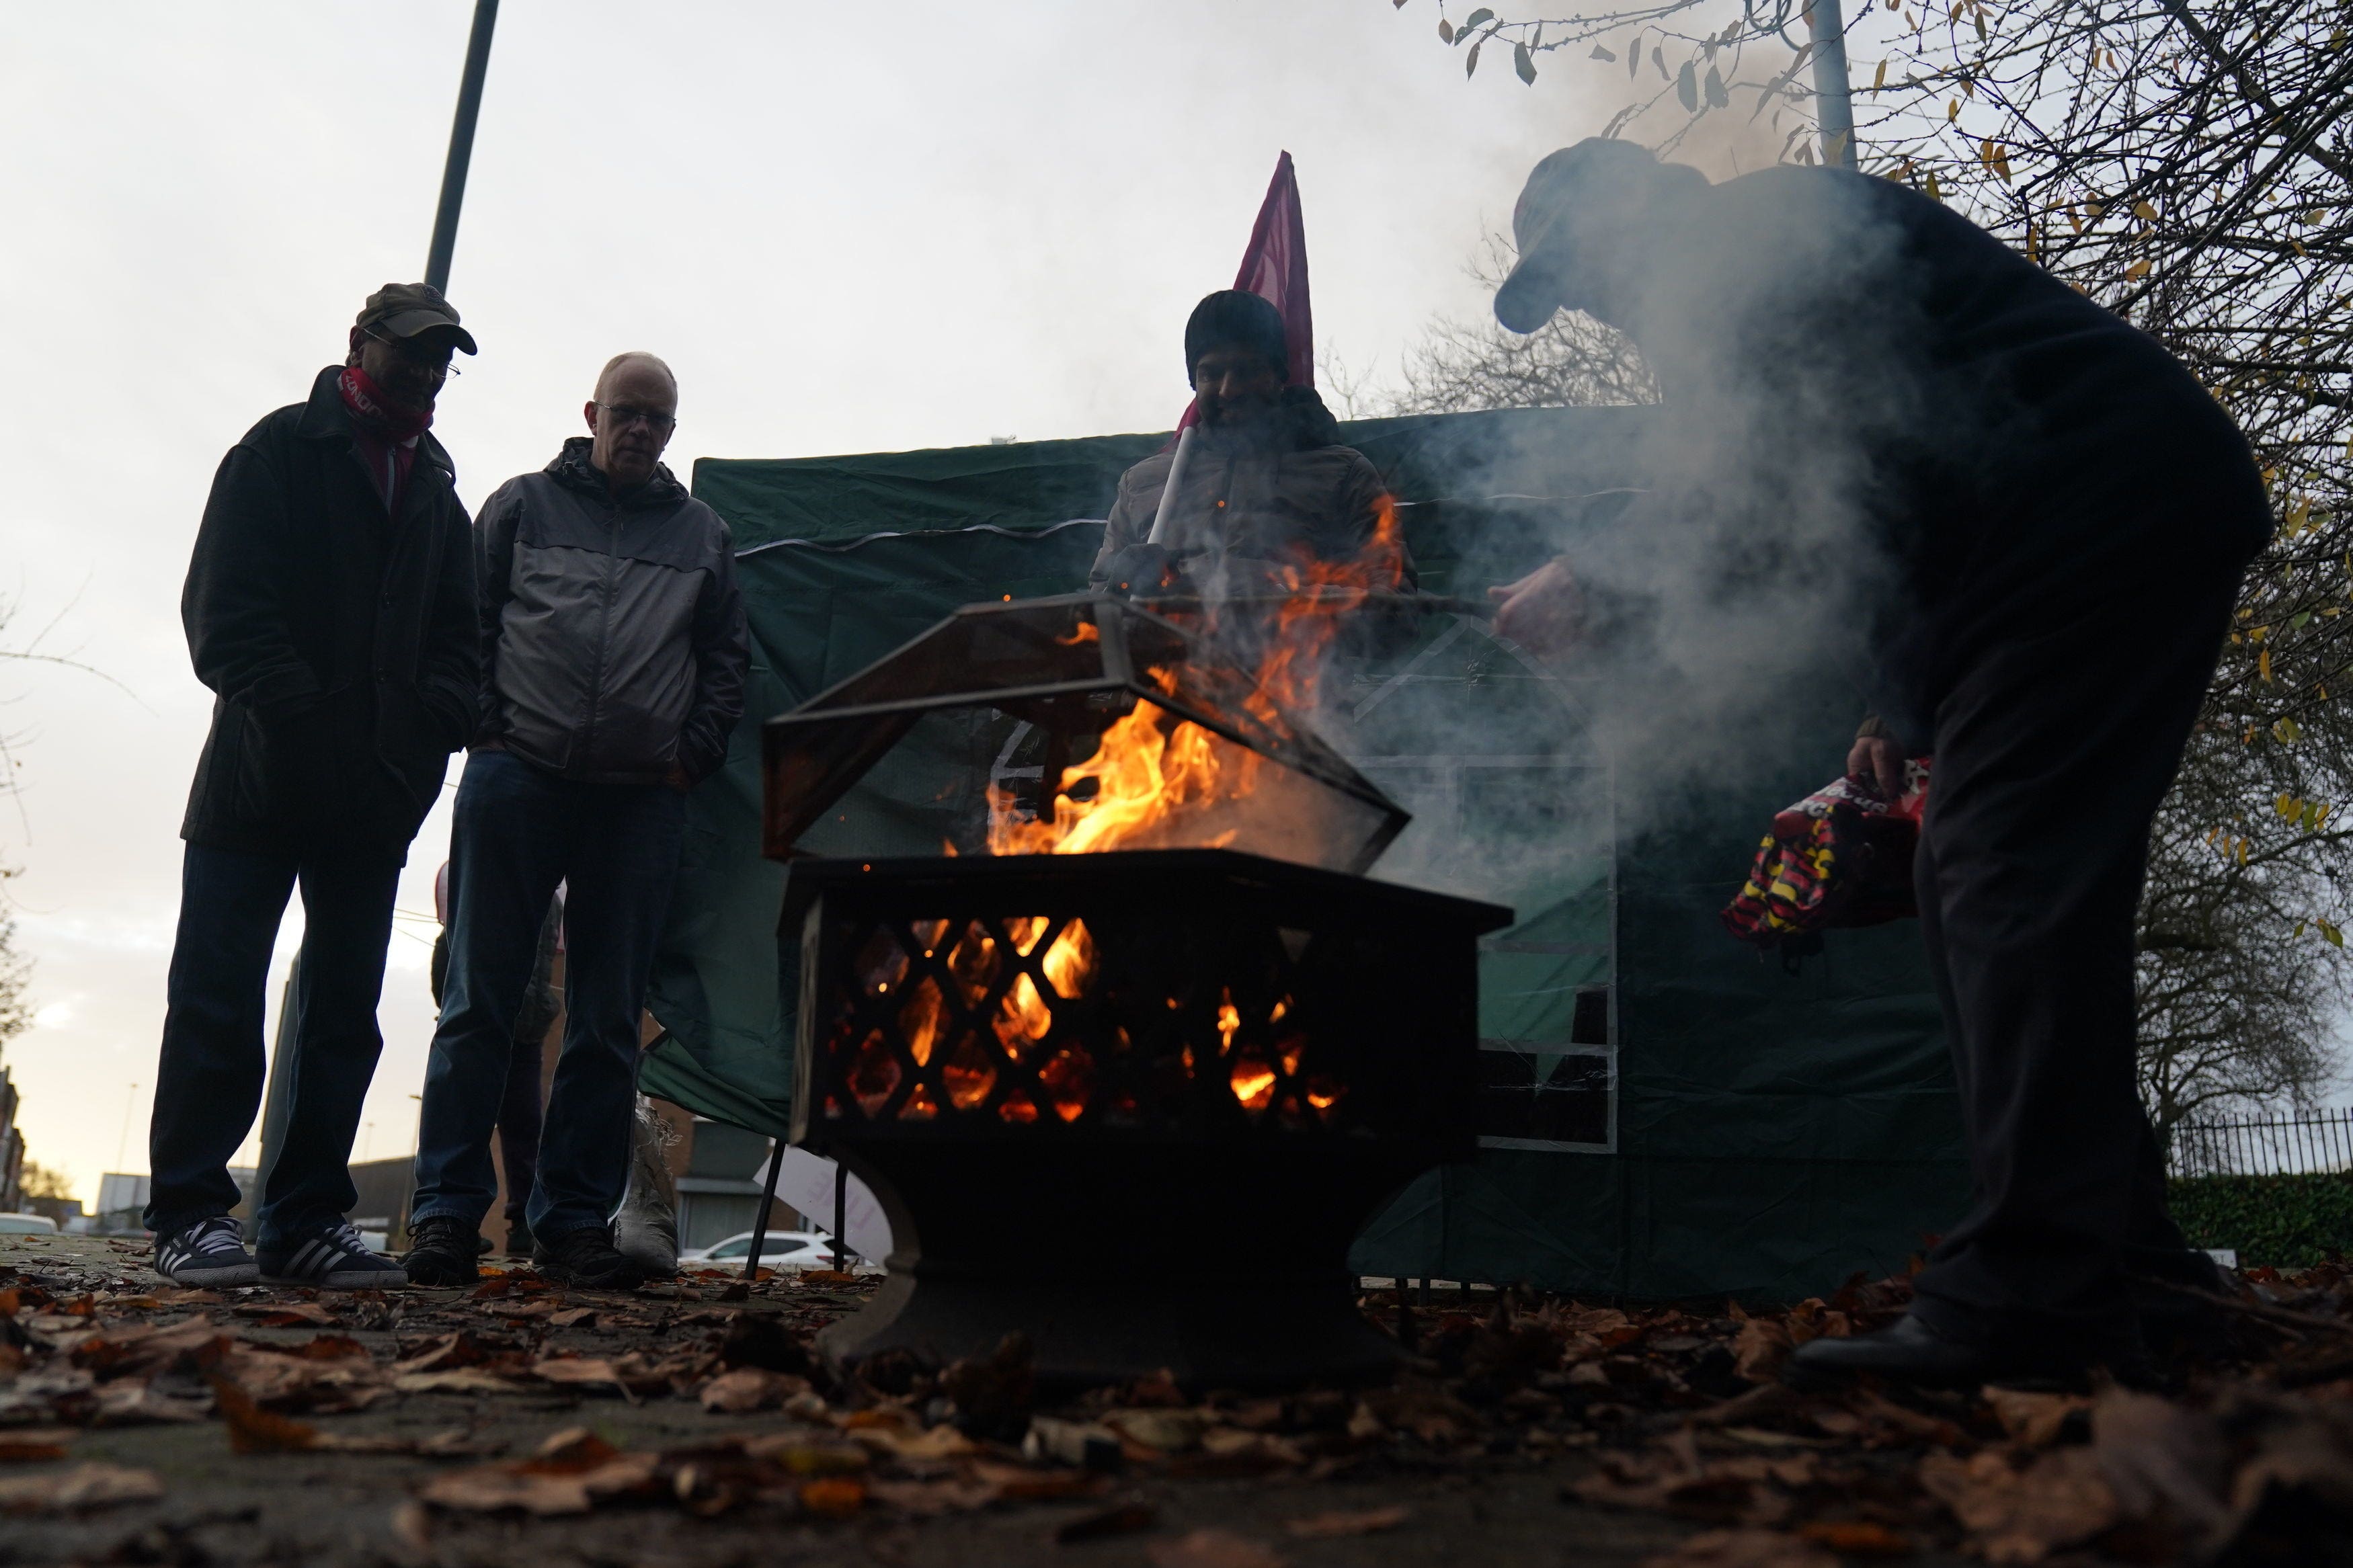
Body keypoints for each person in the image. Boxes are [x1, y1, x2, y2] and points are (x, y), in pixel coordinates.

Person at [1484, 140, 2270, 1386]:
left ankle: (2037, 1298)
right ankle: (2125, 1268)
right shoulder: (1766, 265)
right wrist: (1895, 707)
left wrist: (1600, 577)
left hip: (2095, 511)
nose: (1599, 304)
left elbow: (1788, 473)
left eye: (1587, 271)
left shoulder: (1765, 235)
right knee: (1992, 887)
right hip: (2080, 524)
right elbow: (1885, 487)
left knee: (2001, 878)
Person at [147, 284, 479, 1288]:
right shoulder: (278, 451)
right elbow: (222, 613)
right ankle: (191, 1213)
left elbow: (462, 646)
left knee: (343, 1015)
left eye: (440, 359)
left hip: (371, 802)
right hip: (255, 789)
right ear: (360, 346)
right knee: (217, 995)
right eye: (410, 352)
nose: (424, 373)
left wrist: (420, 744)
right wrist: (303, 719)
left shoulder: (437, 491)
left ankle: (304, 1222)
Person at [404, 353, 747, 1290]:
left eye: (658, 419)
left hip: (640, 800)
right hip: (519, 779)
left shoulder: (702, 535)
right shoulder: (518, 507)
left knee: (603, 1022)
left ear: (673, 430)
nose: (640, 430)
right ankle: (444, 1216)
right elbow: (466, 622)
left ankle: (570, 1223)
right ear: (592, 413)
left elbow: (726, 661)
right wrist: (488, 734)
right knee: (478, 1001)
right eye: (627, 413)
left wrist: (690, 757)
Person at [1089, 290, 1405, 597]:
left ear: (1278, 376)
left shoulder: (1343, 474)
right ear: (1194, 382)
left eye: (1245, 371)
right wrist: (1121, 590)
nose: (1228, 390)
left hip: (1298, 651)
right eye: (1211, 374)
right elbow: (1095, 622)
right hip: (1170, 652)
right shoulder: (1141, 484)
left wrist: (1279, 596)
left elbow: (1397, 609)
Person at [430, 865, 561, 1257]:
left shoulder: (547, 901)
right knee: (490, 1123)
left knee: (514, 1127)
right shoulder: (506, 889)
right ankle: (461, 1218)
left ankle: (506, 1221)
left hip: (520, 1030)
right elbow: (449, 947)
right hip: (500, 1027)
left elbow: (447, 950)